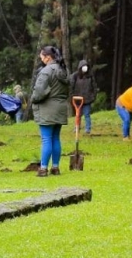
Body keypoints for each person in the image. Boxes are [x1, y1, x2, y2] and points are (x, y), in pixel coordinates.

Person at [31, 46, 69, 177]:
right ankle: (55, 167)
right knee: (56, 138)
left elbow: (39, 92)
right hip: (60, 108)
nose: (40, 59)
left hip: (48, 109)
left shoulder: (46, 71)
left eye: (41, 56)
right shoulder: (63, 69)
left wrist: (33, 99)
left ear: (47, 57)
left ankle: (43, 168)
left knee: (46, 139)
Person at [70, 60, 97, 134]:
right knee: (78, 114)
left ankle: (87, 129)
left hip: (87, 99)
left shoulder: (90, 76)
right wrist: (72, 96)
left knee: (87, 114)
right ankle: (77, 127)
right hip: (77, 99)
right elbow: (71, 87)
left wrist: (93, 96)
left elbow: (94, 87)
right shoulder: (75, 76)